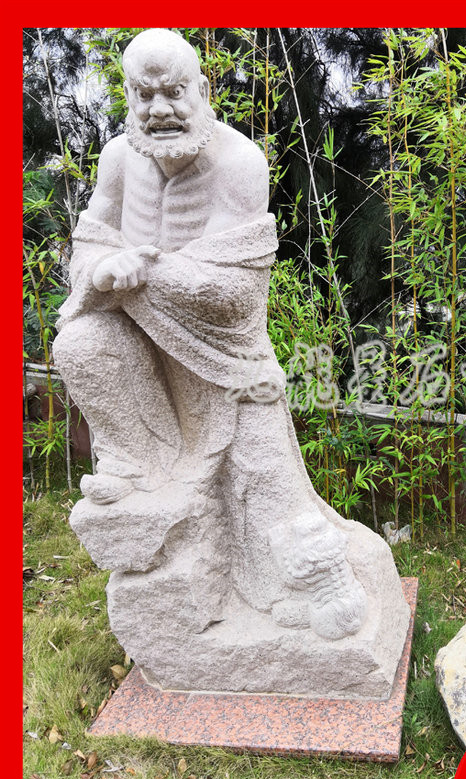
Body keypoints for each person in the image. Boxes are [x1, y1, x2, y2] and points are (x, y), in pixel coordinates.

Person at [53, 29, 373, 641]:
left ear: (202, 89)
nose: (160, 110)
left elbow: (235, 294)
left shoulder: (239, 163)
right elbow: (88, 249)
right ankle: (139, 469)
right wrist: (103, 269)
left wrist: (146, 270)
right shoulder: (118, 159)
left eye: (174, 92)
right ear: (129, 96)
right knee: (80, 345)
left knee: (266, 481)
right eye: (145, 95)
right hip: (138, 342)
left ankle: (311, 588)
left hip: (227, 362)